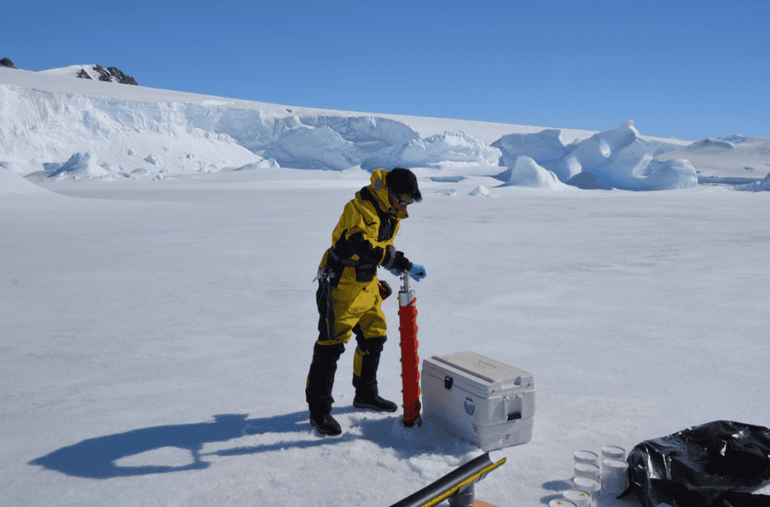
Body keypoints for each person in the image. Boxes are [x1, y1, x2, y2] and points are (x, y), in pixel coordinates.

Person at [306, 167, 427, 436]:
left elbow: (381, 245)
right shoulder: (358, 208)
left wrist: (393, 262)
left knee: (374, 337)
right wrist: (399, 262)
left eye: (408, 202)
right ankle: (319, 410)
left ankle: (365, 394)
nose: (404, 205)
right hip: (341, 285)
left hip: (367, 283)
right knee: (331, 346)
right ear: (389, 191)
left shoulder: (390, 213)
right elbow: (362, 245)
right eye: (402, 199)